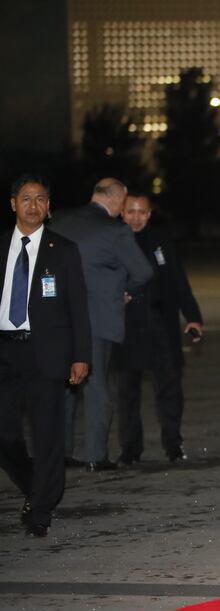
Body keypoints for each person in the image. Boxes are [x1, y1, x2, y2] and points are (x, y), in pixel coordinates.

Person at [0, 174, 91, 537]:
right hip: (5, 352)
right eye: (26, 199)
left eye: (40, 199)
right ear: (13, 204)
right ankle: (33, 485)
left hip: (47, 355)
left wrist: (81, 355)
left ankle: (41, 508)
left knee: (48, 434)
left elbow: (78, 308)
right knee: (4, 434)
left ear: (48, 206)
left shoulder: (63, 250)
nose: (33, 205)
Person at [50, 178, 153, 471]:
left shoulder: (60, 220)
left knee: (65, 387)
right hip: (97, 318)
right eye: (124, 204)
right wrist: (126, 291)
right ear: (117, 200)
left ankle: (61, 452)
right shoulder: (116, 230)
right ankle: (97, 455)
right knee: (96, 387)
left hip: (59, 318)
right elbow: (143, 272)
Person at [114, 193, 203, 464]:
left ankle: (173, 445)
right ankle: (130, 449)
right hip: (127, 326)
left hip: (161, 325)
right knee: (128, 391)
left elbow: (179, 281)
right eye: (131, 212)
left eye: (142, 212)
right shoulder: (113, 242)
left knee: (170, 387)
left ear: (150, 214)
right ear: (121, 212)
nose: (136, 217)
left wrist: (193, 316)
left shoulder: (161, 241)